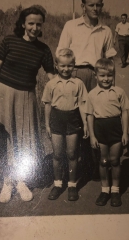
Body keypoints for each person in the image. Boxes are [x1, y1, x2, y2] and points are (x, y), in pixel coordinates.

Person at [0, 6, 54, 203]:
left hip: (28, 96)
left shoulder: (43, 50)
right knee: (7, 135)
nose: (34, 27)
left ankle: (21, 181)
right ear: (23, 23)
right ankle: (7, 181)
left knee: (26, 136)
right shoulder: (9, 41)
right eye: (31, 23)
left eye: (38, 24)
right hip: (4, 93)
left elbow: (52, 76)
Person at [56, 0, 117, 181]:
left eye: (99, 4)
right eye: (91, 5)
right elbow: (61, 52)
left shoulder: (105, 30)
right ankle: (74, 164)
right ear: (83, 6)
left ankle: (94, 163)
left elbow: (110, 59)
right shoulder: (71, 25)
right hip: (75, 74)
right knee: (74, 117)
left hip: (96, 75)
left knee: (95, 116)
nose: (95, 8)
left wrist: (111, 88)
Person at [42, 48, 88, 201]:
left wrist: (86, 124)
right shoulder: (51, 84)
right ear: (56, 65)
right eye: (62, 66)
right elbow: (47, 105)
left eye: (69, 66)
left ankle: (72, 185)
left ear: (74, 65)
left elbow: (82, 105)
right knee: (57, 154)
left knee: (72, 154)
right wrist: (47, 125)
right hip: (56, 121)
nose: (66, 69)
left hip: (73, 121)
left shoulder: (78, 83)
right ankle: (57, 184)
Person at [86, 58, 129, 207]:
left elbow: (124, 113)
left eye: (109, 75)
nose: (106, 79)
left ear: (113, 75)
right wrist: (92, 135)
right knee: (104, 161)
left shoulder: (119, 92)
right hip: (100, 131)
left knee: (115, 160)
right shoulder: (91, 94)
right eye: (102, 75)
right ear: (95, 75)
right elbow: (90, 116)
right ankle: (105, 190)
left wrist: (125, 133)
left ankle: (115, 191)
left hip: (116, 131)